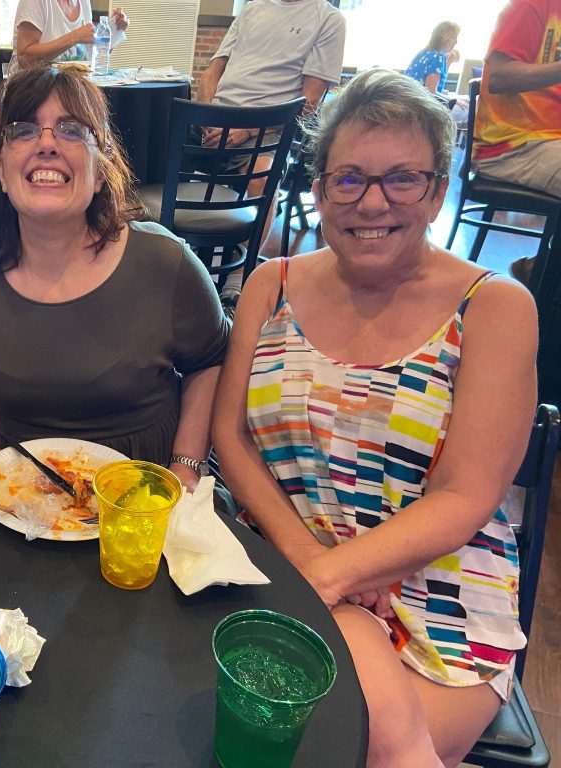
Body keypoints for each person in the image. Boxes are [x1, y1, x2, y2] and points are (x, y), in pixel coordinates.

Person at [212, 69, 537, 767]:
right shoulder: (272, 285)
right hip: (283, 553)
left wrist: (330, 577)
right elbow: (229, 440)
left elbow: (466, 496)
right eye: (349, 178)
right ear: (321, 189)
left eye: (402, 179)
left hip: (437, 593)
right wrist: (313, 566)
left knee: (347, 752)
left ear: (439, 190)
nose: (373, 202)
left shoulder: (494, 306)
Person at [0, 65, 229, 490]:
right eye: (24, 130)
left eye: (71, 129)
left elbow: (210, 363)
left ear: (101, 171)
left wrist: (185, 469)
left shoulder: (165, 262)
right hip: (11, 478)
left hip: (146, 484)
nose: (46, 143)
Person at [197, 0, 346, 305]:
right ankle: (172, 259)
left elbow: (309, 102)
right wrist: (208, 113)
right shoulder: (252, 8)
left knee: (262, 180)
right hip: (214, 120)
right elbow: (212, 71)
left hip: (269, 129)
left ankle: (239, 279)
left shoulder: (329, 19)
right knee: (149, 151)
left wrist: (248, 130)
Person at [473, 0, 561, 286]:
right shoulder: (532, 5)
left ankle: (542, 269)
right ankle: (545, 274)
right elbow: (498, 76)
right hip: (511, 145)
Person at [5, 0, 129, 75]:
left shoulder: (83, 2)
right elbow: (25, 59)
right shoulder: (36, 2)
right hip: (30, 91)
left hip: (69, 91)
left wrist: (112, 29)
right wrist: (74, 37)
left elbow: (90, 57)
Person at [404, 21, 469, 125]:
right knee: (468, 109)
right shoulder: (438, 57)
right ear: (444, 38)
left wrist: (449, 62)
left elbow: (426, 84)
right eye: (453, 37)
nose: (456, 42)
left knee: (462, 100)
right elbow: (431, 91)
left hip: (409, 101)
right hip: (423, 106)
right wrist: (454, 100)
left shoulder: (423, 53)